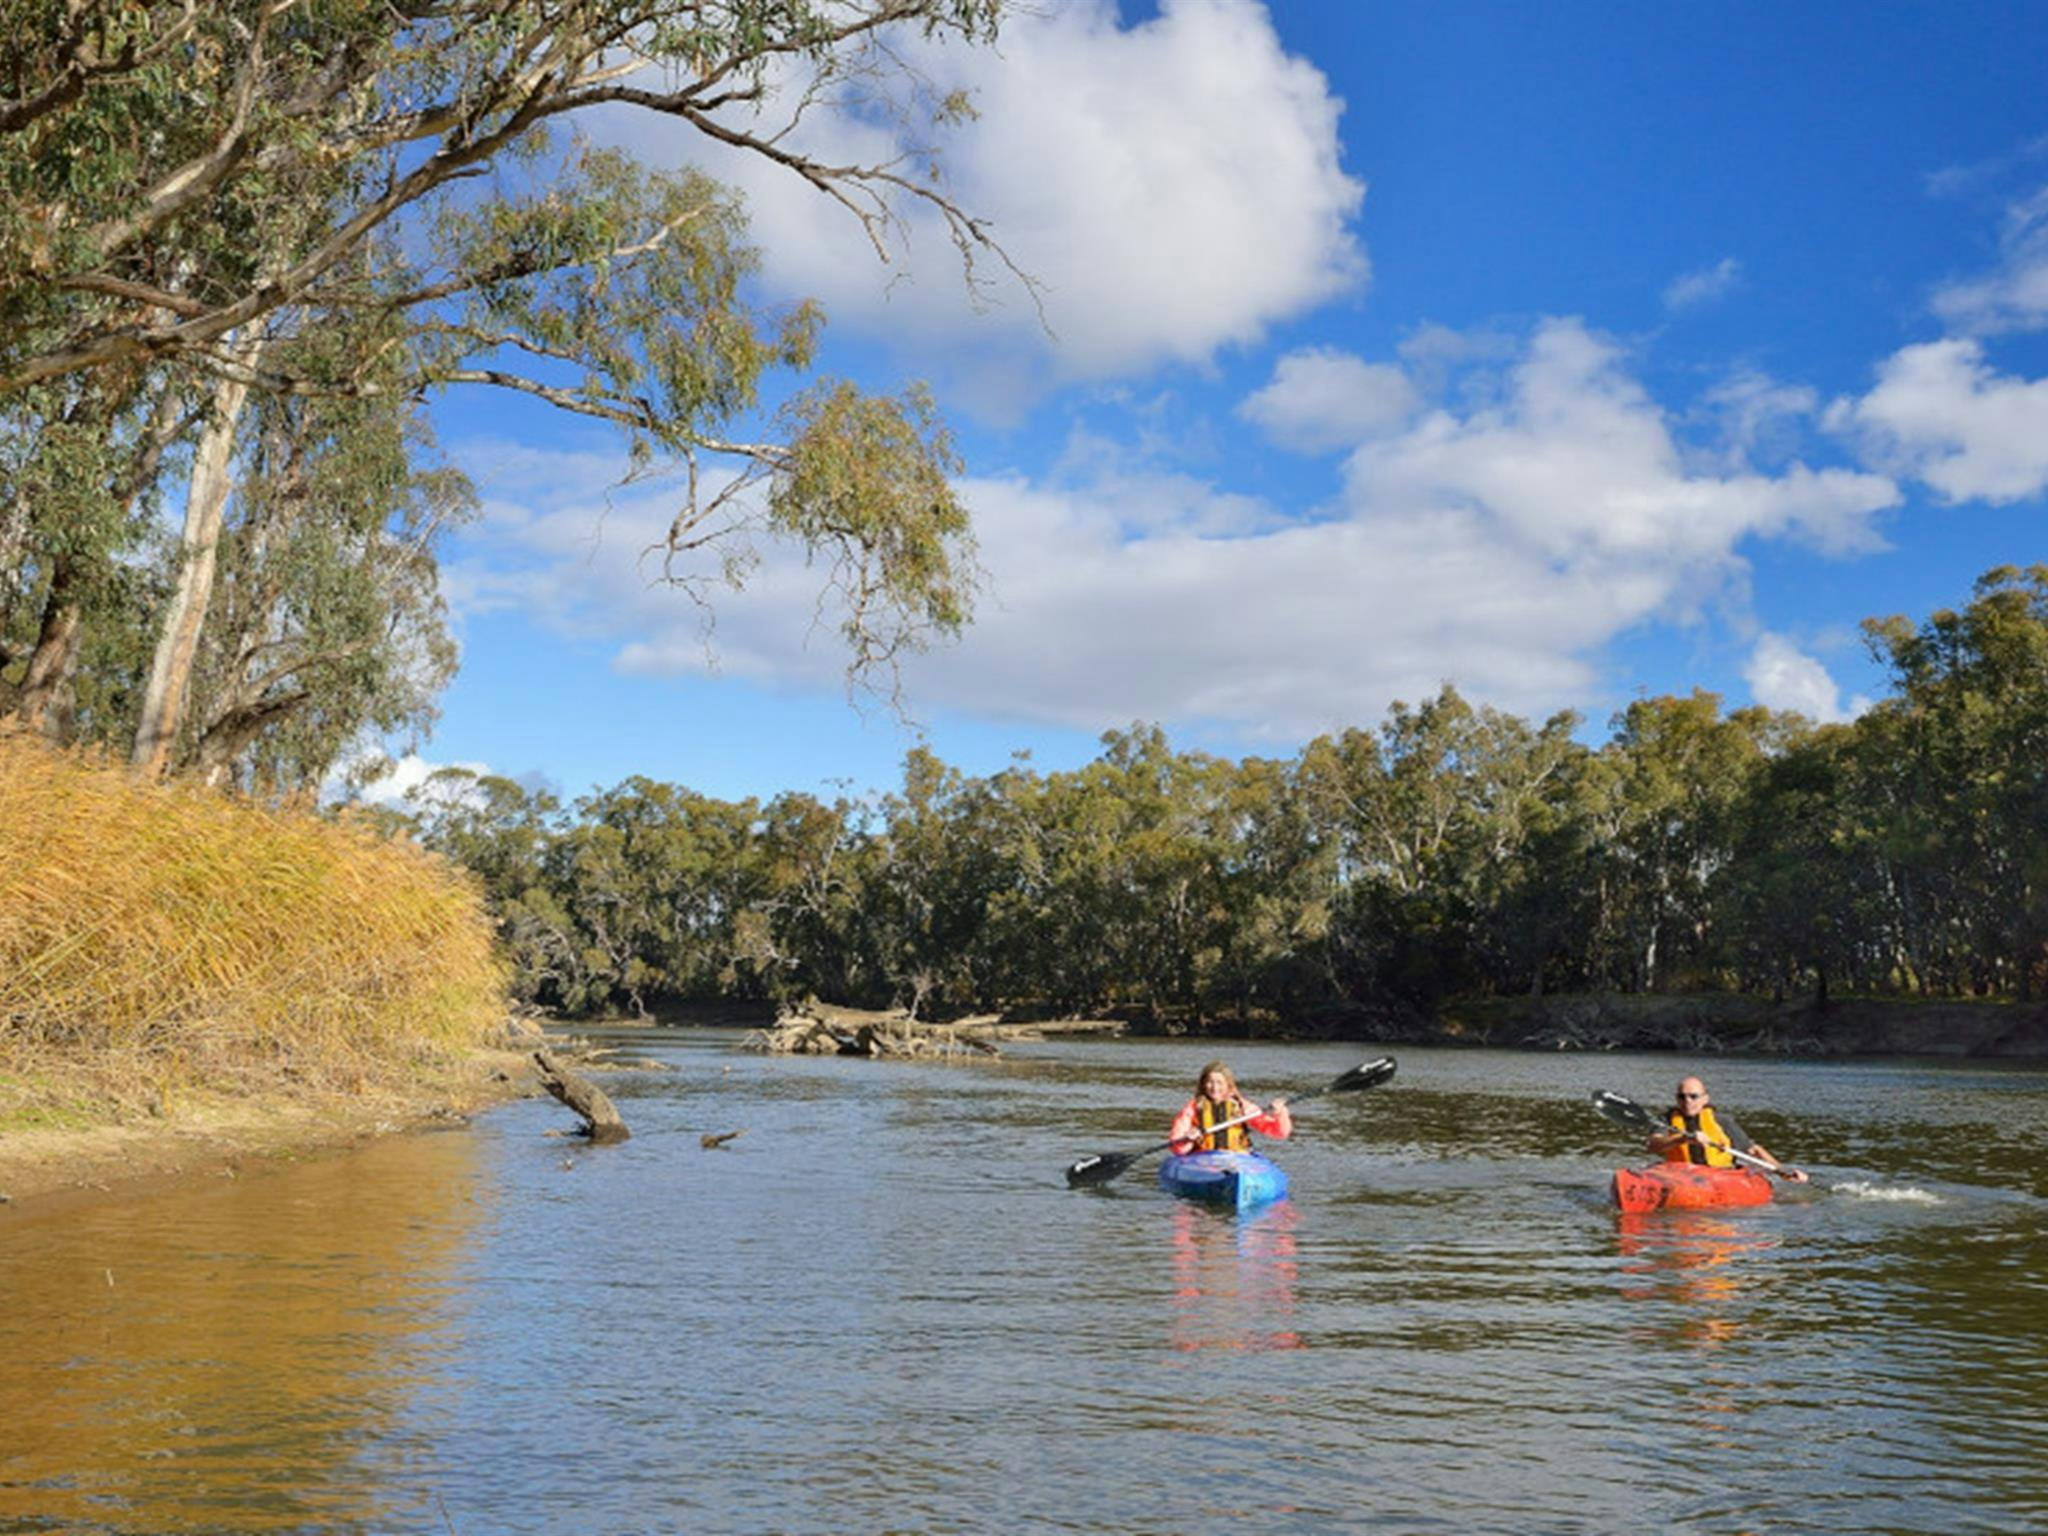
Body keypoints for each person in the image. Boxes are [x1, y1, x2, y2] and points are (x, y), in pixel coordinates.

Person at [1647, 1076, 1808, 1182]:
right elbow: (1653, 1145)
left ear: (1705, 1099)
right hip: (1680, 1176)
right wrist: (1683, 1139)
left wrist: (1783, 1172)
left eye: (1693, 1096)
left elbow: (1752, 1151)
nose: (1687, 1101)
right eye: (1682, 1097)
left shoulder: (1722, 1121)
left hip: (1719, 1177)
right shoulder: (1666, 1120)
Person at [1169, 1060, 1293, 1155]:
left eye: (1219, 1083)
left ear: (1228, 1084)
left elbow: (1279, 1133)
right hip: (1204, 1159)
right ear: (1203, 1084)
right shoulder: (1192, 1108)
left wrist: (1280, 1113)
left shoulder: (1242, 1106)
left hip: (1237, 1157)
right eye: (1210, 1082)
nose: (1214, 1087)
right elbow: (1177, 1147)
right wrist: (1187, 1139)